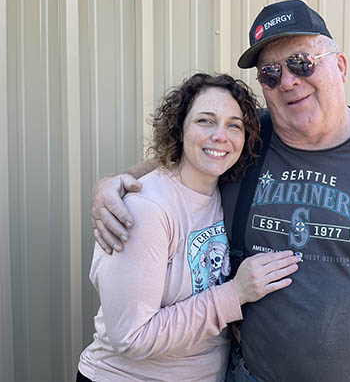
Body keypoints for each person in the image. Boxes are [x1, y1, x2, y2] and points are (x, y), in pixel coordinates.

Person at [91, 0, 350, 382]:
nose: (287, 81)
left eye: (302, 63)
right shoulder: (246, 140)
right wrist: (115, 183)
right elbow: (188, 152)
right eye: (270, 73)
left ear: (341, 66)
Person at [78, 73, 300, 382]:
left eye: (234, 125)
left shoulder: (227, 191)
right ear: (179, 128)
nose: (220, 135)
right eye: (205, 121)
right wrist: (235, 294)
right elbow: (131, 336)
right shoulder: (146, 208)